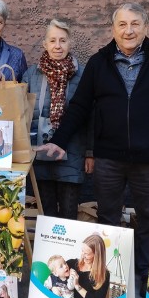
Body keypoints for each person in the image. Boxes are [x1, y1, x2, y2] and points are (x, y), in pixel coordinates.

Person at [38, 2, 149, 298]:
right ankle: (107, 284)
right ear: (113, 29)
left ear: (145, 27)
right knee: (108, 221)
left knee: (148, 219)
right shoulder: (99, 62)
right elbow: (80, 106)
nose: (128, 30)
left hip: (148, 157)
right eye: (122, 24)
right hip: (109, 158)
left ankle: (144, 280)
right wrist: (59, 140)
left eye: (135, 24)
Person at [26, 18, 90, 220]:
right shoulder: (31, 75)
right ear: (45, 44)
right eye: (52, 41)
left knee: (68, 215)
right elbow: (23, 113)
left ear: (70, 43)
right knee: (46, 215)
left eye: (63, 40)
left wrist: (91, 152)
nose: (57, 46)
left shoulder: (83, 75)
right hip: (40, 154)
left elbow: (91, 116)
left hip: (73, 153)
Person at [65, 233, 110, 298]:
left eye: (86, 253)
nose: (82, 255)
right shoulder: (71, 263)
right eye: (82, 251)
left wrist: (77, 285)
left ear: (96, 256)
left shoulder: (104, 275)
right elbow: (53, 274)